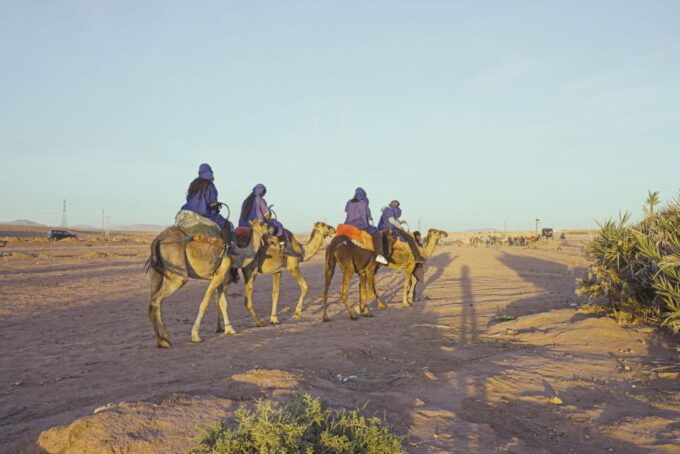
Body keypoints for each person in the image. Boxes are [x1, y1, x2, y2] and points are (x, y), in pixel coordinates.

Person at [181, 163, 236, 255]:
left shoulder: (193, 185)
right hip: (203, 214)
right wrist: (217, 207)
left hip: (186, 212)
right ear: (210, 173)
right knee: (226, 224)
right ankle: (228, 249)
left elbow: (189, 199)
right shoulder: (210, 186)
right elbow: (212, 204)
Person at [238, 184, 301, 258]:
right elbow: (267, 215)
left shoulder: (246, 200)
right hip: (258, 224)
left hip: (243, 224)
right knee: (278, 225)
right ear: (262, 192)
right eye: (264, 192)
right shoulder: (259, 199)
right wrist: (269, 213)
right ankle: (283, 247)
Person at [344, 187, 391, 264]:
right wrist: (367, 224)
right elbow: (364, 217)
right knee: (377, 233)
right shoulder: (363, 203)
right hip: (360, 225)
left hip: (348, 226)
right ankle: (379, 255)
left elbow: (346, 210)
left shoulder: (349, 202)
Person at [411, 231, 427, 301]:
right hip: (416, 265)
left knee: (413, 281)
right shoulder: (416, 244)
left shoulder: (416, 244)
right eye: (418, 236)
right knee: (417, 281)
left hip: (415, 265)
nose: (419, 237)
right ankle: (413, 297)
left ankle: (412, 296)